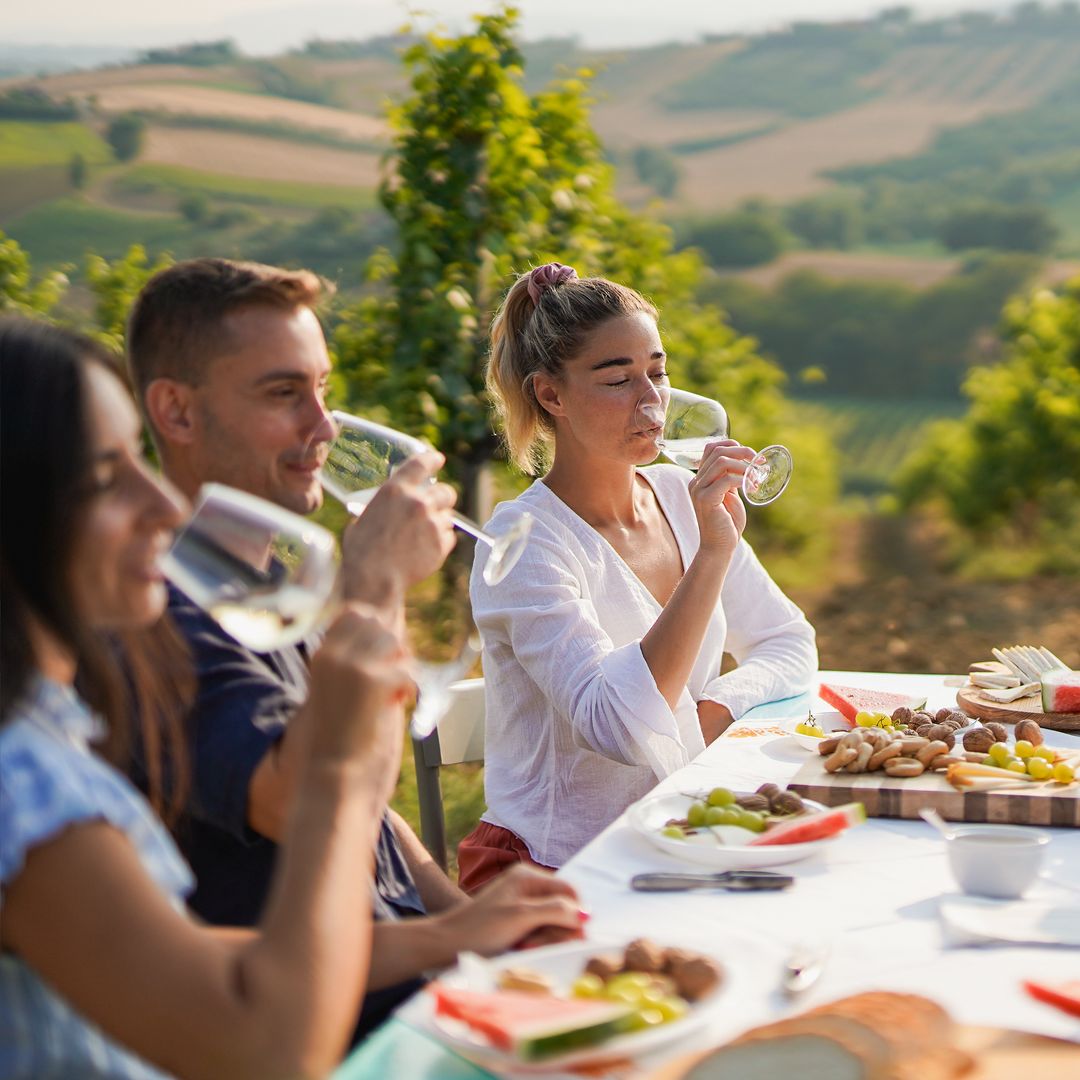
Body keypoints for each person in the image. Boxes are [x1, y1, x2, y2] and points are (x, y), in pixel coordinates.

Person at [125, 258, 584, 1038]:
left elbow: (372, 813)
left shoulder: (262, 582)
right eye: (283, 394)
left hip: (415, 997)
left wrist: (479, 930)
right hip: (326, 1037)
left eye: (323, 389)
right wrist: (377, 584)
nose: (325, 427)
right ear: (176, 411)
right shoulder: (153, 616)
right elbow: (308, 801)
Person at [0, 317, 412, 1079]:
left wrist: (454, 932)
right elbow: (271, 1051)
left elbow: (165, 955)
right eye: (106, 478)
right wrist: (334, 762)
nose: (162, 504)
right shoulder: (25, 786)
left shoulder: (44, 732)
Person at [459, 264, 818, 889]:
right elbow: (620, 727)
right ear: (551, 395)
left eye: (658, 372)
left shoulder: (680, 495)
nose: (651, 402)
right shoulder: (523, 543)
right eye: (618, 379)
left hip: (682, 838)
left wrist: (715, 707)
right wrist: (712, 555)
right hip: (554, 868)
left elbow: (789, 642)